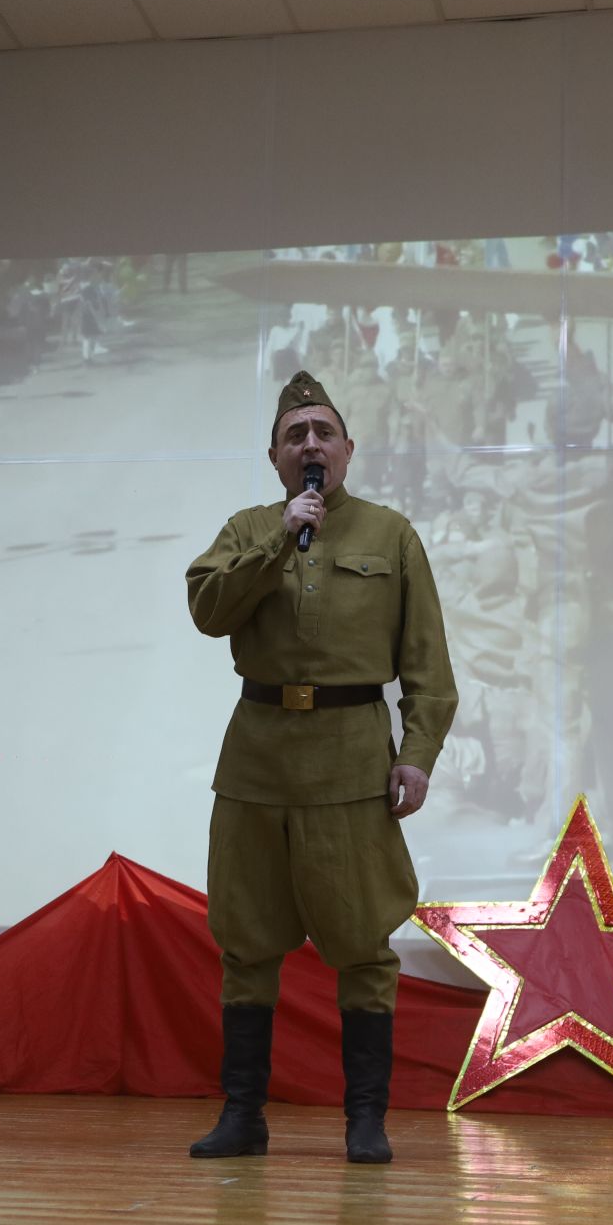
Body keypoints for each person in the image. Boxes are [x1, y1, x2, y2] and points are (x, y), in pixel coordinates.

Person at [185, 371, 457, 1165]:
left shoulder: (390, 533)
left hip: (349, 761)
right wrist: (278, 536)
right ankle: (244, 1115)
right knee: (247, 941)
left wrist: (418, 754)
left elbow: (428, 664)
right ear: (274, 457)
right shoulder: (247, 528)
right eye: (295, 434)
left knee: (364, 944)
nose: (310, 445)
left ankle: (365, 1120)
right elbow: (208, 612)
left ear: (347, 449)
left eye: (323, 432)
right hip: (257, 760)